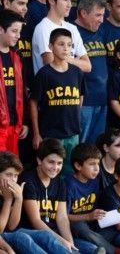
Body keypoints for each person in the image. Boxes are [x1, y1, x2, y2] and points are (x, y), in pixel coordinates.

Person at [22, 138, 103, 253]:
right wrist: (62, 241)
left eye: (59, 163)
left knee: (92, 249)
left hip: (55, 232)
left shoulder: (60, 182)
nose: (55, 167)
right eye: (51, 162)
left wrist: (69, 243)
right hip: (35, 234)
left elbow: (62, 218)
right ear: (39, 160)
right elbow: (36, 221)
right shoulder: (29, 180)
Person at [30, 28, 85, 174]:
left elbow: (81, 95)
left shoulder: (77, 72)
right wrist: (36, 133)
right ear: (50, 46)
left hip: (72, 132)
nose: (66, 48)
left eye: (69, 45)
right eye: (61, 44)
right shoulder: (44, 74)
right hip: (51, 133)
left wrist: (75, 116)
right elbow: (34, 102)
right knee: (50, 172)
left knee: (70, 171)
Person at [0, 150, 76, 254]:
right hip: (5, 236)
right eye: (8, 174)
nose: (13, 180)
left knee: (45, 235)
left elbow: (12, 225)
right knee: (22, 237)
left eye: (15, 175)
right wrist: (8, 201)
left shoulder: (12, 191)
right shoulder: (11, 192)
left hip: (11, 233)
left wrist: (18, 199)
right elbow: (2, 230)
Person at [32, 0, 91, 74]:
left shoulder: (72, 28)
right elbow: (51, 63)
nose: (70, 5)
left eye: (71, 0)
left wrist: (61, 58)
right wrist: (75, 61)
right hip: (50, 87)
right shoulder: (43, 28)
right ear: (51, 0)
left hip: (72, 87)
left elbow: (87, 66)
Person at [66, 143, 114, 253]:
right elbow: (64, 216)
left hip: (93, 223)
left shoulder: (95, 180)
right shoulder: (69, 184)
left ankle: (95, 243)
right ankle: (115, 250)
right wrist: (88, 216)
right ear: (78, 166)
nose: (97, 168)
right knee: (80, 227)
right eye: (92, 164)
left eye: (98, 164)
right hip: (77, 225)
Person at [74, 0, 109, 144]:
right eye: (98, 15)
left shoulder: (100, 31)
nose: (101, 20)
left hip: (102, 99)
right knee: (80, 146)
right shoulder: (72, 32)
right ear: (83, 13)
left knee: (95, 147)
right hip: (84, 102)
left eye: (103, 15)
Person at [0, 10, 27, 154]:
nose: (18, 36)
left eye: (20, 31)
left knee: (12, 167)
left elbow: (24, 91)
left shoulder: (17, 56)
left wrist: (26, 122)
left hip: (15, 125)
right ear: (1, 29)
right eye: (14, 31)